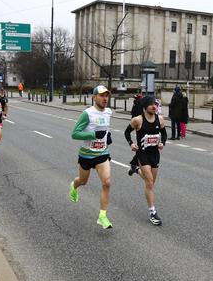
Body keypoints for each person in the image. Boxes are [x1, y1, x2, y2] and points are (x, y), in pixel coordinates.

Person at [69, 85, 114, 230]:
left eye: (106, 95)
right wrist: (93, 135)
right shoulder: (87, 114)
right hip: (87, 155)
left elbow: (104, 129)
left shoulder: (108, 112)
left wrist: (107, 137)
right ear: (94, 97)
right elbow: (75, 133)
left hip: (102, 154)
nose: (105, 98)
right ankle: (74, 185)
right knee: (83, 181)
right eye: (101, 95)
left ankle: (102, 216)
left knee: (107, 183)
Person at [125, 95, 167, 226]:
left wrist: (162, 143)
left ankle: (135, 170)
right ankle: (152, 212)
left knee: (151, 183)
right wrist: (131, 143)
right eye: (151, 104)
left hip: (155, 154)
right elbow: (127, 132)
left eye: (155, 104)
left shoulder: (159, 119)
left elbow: (164, 133)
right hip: (142, 154)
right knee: (149, 183)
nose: (155, 106)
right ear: (145, 107)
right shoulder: (137, 120)